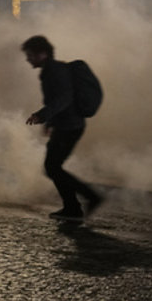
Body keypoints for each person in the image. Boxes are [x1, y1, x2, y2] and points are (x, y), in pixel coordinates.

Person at [21, 35, 103, 222]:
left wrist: (42, 116)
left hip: (70, 126)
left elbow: (64, 98)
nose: (28, 59)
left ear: (42, 54)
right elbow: (55, 99)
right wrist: (50, 123)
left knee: (52, 167)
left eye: (30, 55)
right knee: (53, 167)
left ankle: (87, 200)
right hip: (66, 126)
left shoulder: (55, 71)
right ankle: (73, 207)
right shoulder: (50, 71)